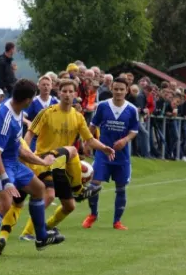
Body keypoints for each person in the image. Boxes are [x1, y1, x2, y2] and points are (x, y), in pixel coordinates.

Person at [0, 79, 65, 261]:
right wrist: (6, 180)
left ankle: (41, 238)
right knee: (4, 205)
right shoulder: (5, 117)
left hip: (12, 161)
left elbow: (19, 148)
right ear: (28, 100)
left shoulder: (17, 111)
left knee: (38, 189)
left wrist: (42, 162)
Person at [19, 79, 115, 240]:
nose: (68, 94)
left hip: (61, 163)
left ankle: (46, 227)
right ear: (59, 93)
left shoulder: (78, 117)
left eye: (71, 92)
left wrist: (104, 148)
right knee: (49, 194)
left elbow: (89, 140)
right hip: (44, 159)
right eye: (65, 91)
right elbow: (29, 134)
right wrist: (25, 154)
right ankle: (27, 233)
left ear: (75, 95)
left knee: (69, 206)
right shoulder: (47, 112)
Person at [83, 78, 139, 230]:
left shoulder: (132, 109)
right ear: (112, 89)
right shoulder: (102, 106)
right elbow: (93, 125)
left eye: (122, 89)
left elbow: (134, 130)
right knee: (94, 185)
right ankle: (93, 215)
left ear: (127, 90)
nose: (119, 92)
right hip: (102, 153)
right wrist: (87, 143)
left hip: (122, 156)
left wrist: (125, 140)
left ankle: (117, 221)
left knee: (121, 188)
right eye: (116, 89)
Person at [23, 75, 59, 150]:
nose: (46, 87)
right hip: (35, 137)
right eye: (43, 85)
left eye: (48, 85)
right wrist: (28, 122)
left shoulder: (56, 101)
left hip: (51, 137)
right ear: (38, 86)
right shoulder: (33, 101)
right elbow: (21, 117)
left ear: (51, 86)